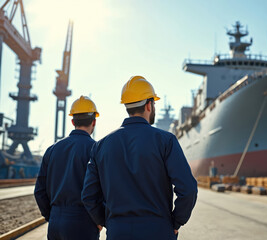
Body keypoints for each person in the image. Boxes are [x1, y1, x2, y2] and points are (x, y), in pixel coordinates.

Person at [82, 76, 198, 240]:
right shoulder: (166, 141)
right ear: (149, 105)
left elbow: (88, 196)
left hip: (118, 233)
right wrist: (175, 222)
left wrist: (110, 222)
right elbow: (188, 189)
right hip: (159, 232)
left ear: (127, 106)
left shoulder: (100, 146)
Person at [34, 96, 101, 240]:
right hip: (83, 222)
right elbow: (104, 189)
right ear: (94, 122)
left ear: (72, 121)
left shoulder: (52, 150)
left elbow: (39, 191)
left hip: (55, 222)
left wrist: (51, 215)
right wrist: (100, 219)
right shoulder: (96, 149)